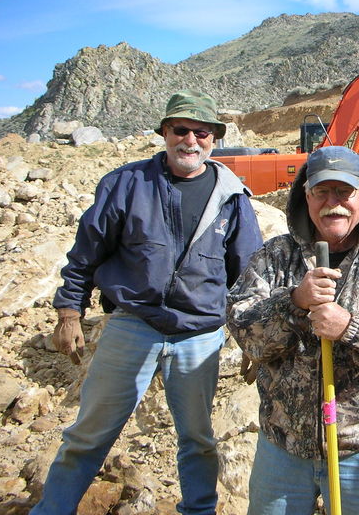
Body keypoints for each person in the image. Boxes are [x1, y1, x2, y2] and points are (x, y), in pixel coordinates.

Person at [31, 90, 263, 515]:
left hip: (199, 334)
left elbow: (249, 276)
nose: (190, 140)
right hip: (132, 324)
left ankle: (199, 509)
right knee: (89, 433)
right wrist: (69, 311)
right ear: (164, 133)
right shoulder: (126, 184)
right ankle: (53, 509)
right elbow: (86, 252)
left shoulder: (233, 196)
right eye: (180, 130)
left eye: (201, 132)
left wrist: (255, 339)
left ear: (214, 139)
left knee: (197, 437)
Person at [227, 145, 359, 515]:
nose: (334, 202)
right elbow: (245, 332)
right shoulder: (274, 257)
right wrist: (293, 302)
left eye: (345, 191)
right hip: (283, 449)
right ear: (305, 195)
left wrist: (351, 329)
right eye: (322, 191)